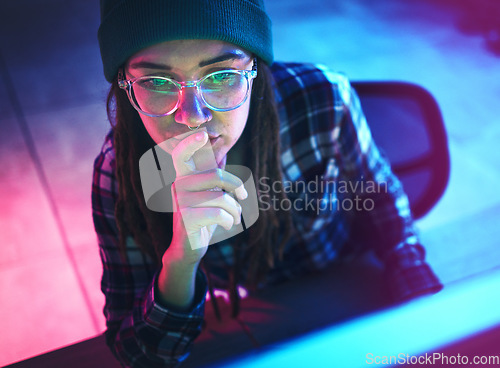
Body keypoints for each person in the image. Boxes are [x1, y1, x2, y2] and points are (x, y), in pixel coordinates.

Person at [93, 0, 443, 367]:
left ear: (255, 70)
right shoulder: (120, 174)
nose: (193, 117)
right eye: (156, 82)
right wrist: (182, 259)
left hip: (349, 279)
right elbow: (140, 354)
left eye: (222, 75)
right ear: (124, 86)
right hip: (257, 312)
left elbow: (384, 202)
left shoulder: (324, 98)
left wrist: (424, 312)